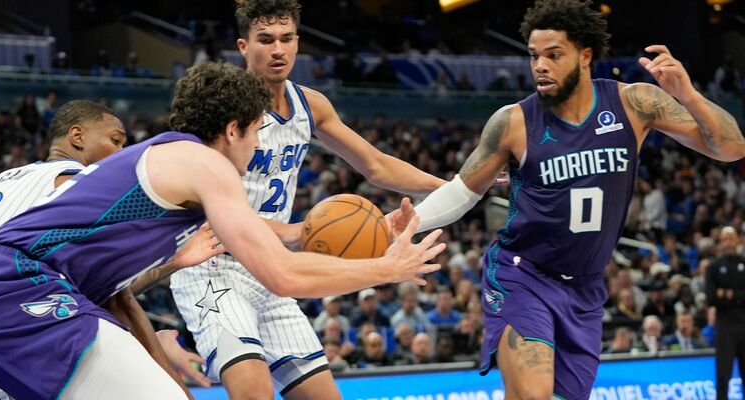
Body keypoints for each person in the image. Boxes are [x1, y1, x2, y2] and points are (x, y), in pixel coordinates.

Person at [0, 62, 444, 400]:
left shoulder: (178, 167)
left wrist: (376, 236)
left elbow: (290, 240)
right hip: (16, 290)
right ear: (233, 129)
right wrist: (384, 267)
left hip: (4, 304)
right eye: (255, 133)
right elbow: (284, 276)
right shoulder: (205, 166)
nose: (256, 148)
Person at [387, 0, 745, 397]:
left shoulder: (635, 103)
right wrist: (411, 222)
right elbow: (463, 190)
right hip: (522, 275)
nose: (540, 65)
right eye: (534, 56)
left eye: (554, 55)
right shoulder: (513, 121)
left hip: (585, 289)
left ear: (585, 55)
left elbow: (731, 148)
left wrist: (688, 95)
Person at [170, 1, 446, 399]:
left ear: (298, 42)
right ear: (243, 46)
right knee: (253, 389)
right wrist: (298, 231)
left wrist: (456, 187)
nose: (277, 50)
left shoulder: (310, 105)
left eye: (285, 39)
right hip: (214, 263)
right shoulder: (222, 108)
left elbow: (378, 166)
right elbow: (205, 209)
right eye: (265, 40)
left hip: (271, 266)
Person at [0, 100, 127, 400]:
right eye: (115, 141)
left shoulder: (0, 180)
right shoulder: (75, 182)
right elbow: (111, 284)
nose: (121, 153)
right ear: (77, 136)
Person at [705, 226, 745, 400]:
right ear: (721, 242)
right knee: (723, 376)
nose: (729, 242)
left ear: (737, 240)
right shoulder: (713, 267)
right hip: (725, 327)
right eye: (725, 238)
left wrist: (727, 294)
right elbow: (711, 298)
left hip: (744, 326)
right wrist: (738, 296)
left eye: (731, 238)